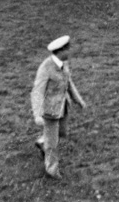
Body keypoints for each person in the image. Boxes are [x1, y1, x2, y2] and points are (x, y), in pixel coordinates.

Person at [30, 35, 87, 179]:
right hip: (50, 111)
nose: (70, 51)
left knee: (62, 133)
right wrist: (37, 114)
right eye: (68, 49)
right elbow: (37, 91)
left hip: (63, 107)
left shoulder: (64, 63)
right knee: (52, 144)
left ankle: (42, 141)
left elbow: (69, 82)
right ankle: (52, 170)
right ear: (61, 51)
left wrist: (78, 100)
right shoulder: (45, 67)